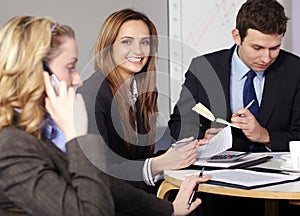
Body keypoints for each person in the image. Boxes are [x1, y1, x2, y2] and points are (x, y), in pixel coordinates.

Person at [0, 15, 211, 216]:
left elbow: (106, 184)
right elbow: (93, 209)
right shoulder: (12, 144)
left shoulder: (44, 129)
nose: (78, 80)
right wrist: (76, 134)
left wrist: (169, 209)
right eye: (70, 67)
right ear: (37, 73)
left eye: (145, 42)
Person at [168, 0, 300, 215]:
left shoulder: (294, 70)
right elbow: (178, 123)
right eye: (257, 48)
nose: (266, 58)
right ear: (237, 36)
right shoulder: (204, 68)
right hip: (216, 188)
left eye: (274, 48)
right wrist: (204, 137)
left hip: (281, 188)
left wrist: (264, 135)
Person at [78, 8, 209, 195]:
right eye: (127, 42)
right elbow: (100, 170)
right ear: (109, 46)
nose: (138, 50)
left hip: (136, 195)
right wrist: (158, 164)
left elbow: (136, 159)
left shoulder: (141, 89)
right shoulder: (91, 95)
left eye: (145, 42)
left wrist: (183, 152)